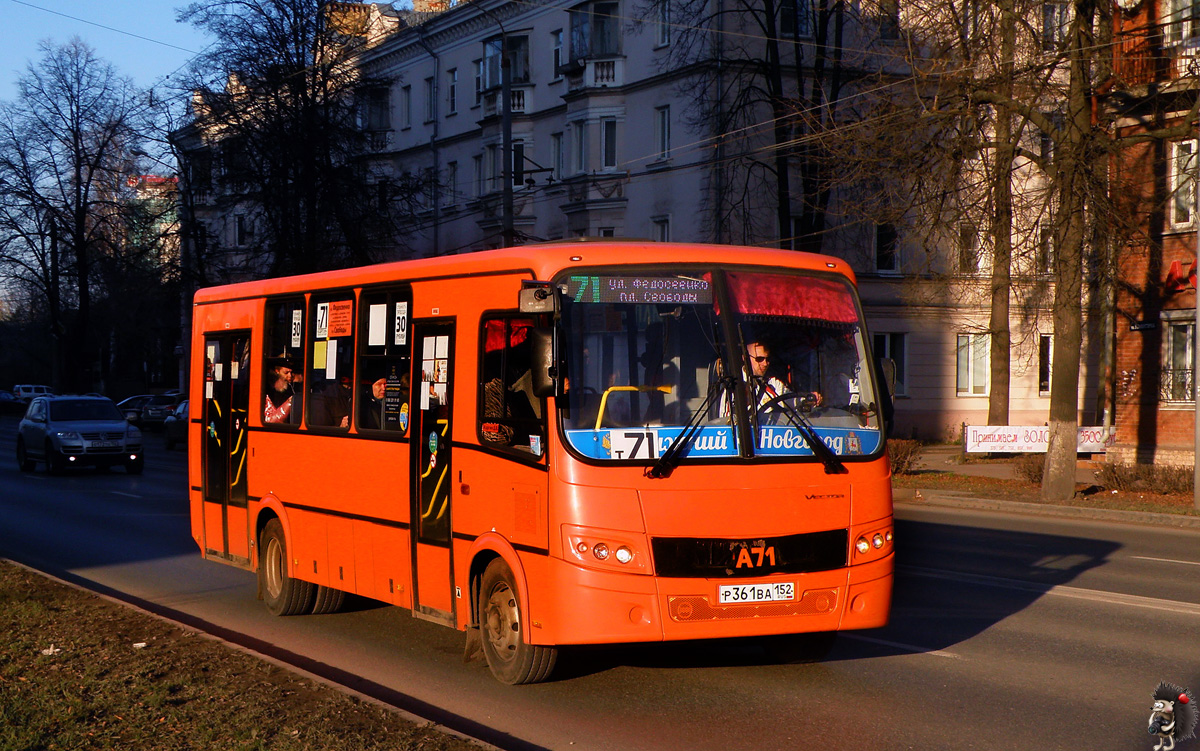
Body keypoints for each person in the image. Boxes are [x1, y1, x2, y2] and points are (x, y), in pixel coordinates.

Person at [264, 358, 299, 424]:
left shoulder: (293, 388)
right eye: (286, 373)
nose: (290, 376)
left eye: (291, 372)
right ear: (277, 371)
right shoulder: (269, 391)